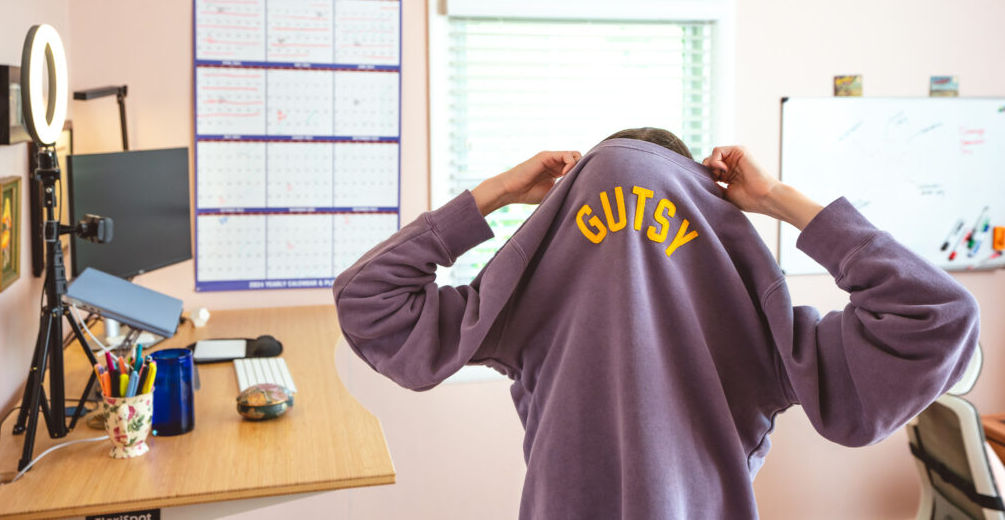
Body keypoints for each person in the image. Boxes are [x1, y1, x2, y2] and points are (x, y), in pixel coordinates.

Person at [333, 128, 979, 519]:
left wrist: (497, 192)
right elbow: (939, 316)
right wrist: (779, 198)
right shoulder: (763, 322)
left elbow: (369, 298)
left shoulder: (523, 300)